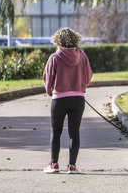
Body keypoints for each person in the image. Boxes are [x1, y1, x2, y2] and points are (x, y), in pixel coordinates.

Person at [43, 28, 92, 174]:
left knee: (55, 131)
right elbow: (88, 75)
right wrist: (80, 87)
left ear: (58, 41)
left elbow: (48, 77)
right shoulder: (82, 56)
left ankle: (54, 164)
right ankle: (72, 166)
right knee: (74, 133)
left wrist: (50, 91)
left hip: (59, 99)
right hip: (78, 99)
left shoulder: (54, 57)